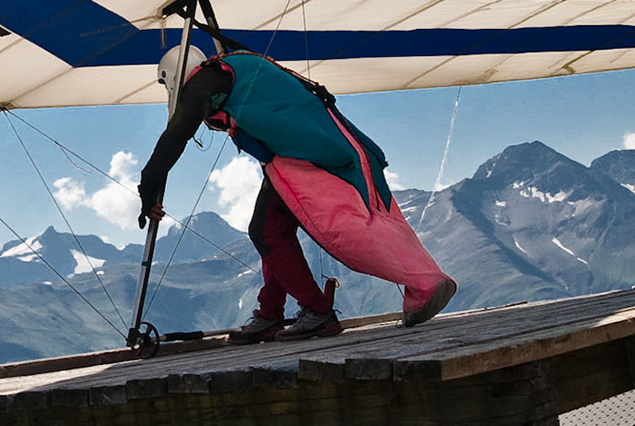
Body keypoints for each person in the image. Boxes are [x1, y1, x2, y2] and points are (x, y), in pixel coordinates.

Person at [138, 43, 456, 342]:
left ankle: (318, 311)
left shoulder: (203, 83)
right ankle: (271, 313)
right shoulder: (234, 66)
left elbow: (174, 137)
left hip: (309, 156)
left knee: (278, 230)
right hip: (322, 148)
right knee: (271, 229)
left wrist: (147, 188)